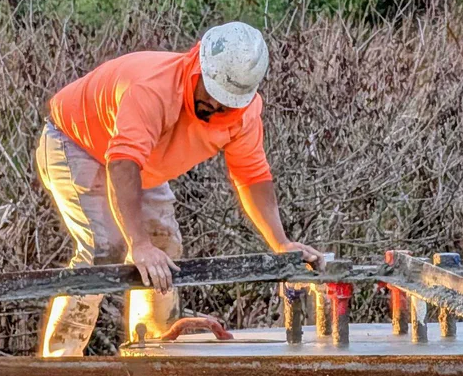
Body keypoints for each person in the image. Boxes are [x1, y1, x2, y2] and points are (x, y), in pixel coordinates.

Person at [35, 21, 323, 356]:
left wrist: (281, 242)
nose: (217, 109)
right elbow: (122, 162)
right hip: (75, 141)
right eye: (212, 97)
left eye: (228, 104)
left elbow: (252, 175)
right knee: (106, 248)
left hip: (142, 161)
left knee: (165, 248)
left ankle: (153, 359)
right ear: (198, 69)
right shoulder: (153, 88)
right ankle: (62, 375)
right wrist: (137, 243)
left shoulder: (245, 115)